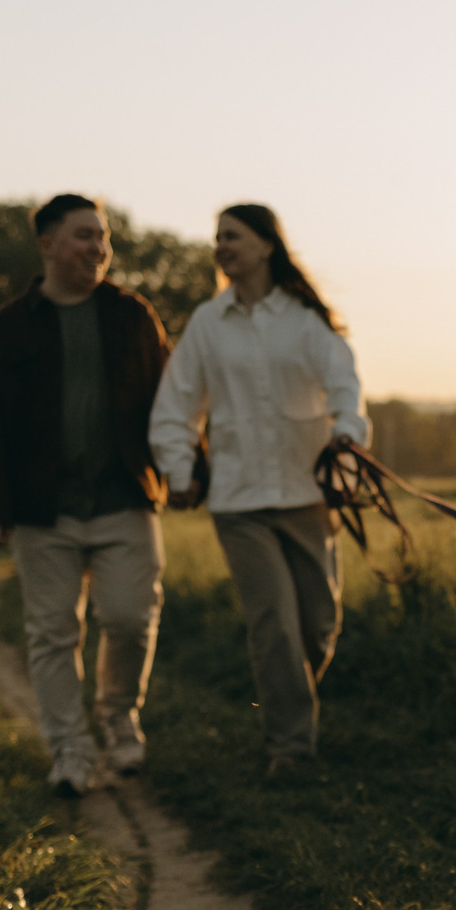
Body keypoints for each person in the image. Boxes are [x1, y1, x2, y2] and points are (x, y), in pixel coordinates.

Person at [148, 203, 367, 777]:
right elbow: (174, 408)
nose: (221, 245)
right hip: (239, 501)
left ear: (267, 245)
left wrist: (347, 435)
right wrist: (179, 474)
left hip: (308, 495)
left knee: (319, 623)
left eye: (233, 236)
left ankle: (284, 702)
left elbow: (345, 386)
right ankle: (289, 748)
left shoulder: (305, 320)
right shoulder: (206, 324)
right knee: (274, 623)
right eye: (216, 237)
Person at [0, 193, 171, 797]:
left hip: (125, 500)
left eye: (103, 236)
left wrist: (187, 471)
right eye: (84, 235)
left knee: (131, 619)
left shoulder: (133, 316)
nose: (98, 247)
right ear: (48, 245)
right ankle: (71, 751)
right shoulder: (6, 328)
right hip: (42, 509)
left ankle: (117, 718)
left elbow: (168, 404)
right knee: (52, 633)